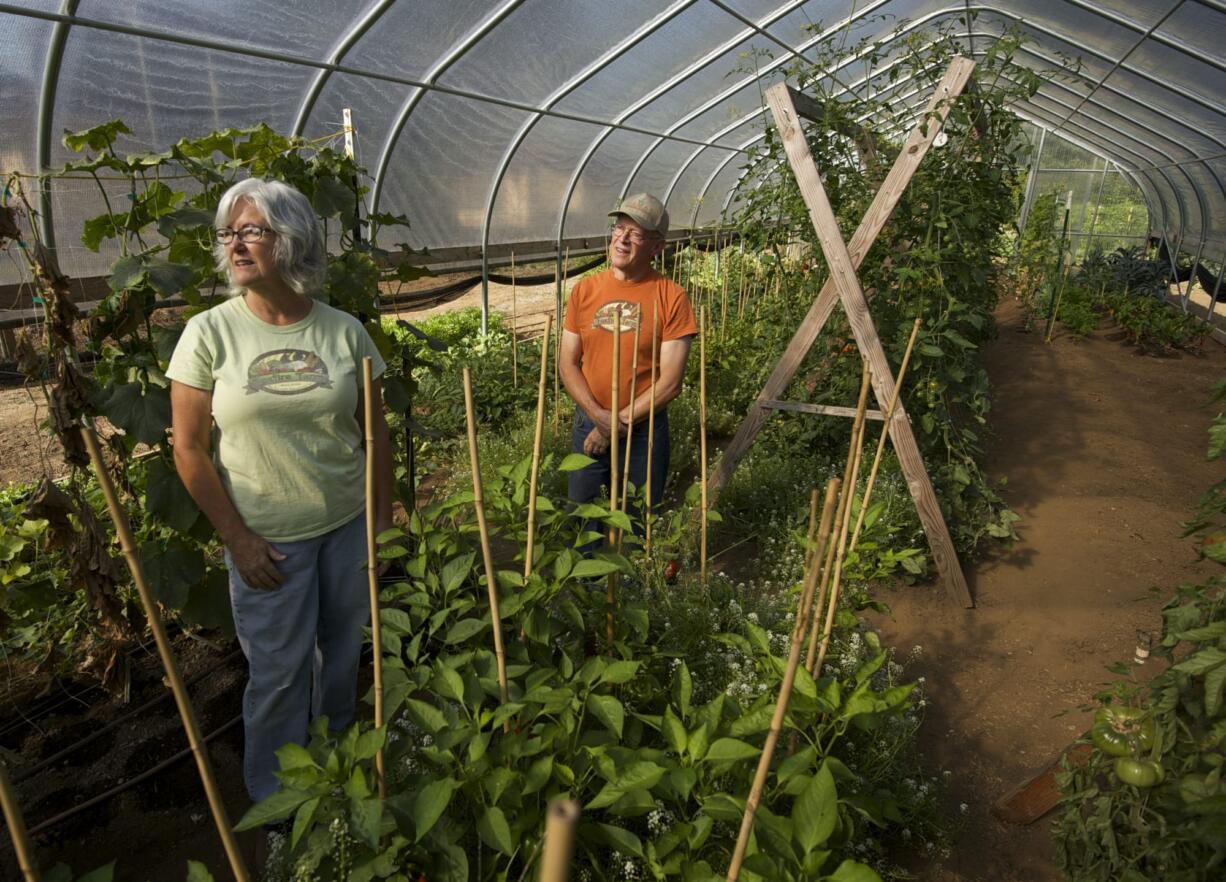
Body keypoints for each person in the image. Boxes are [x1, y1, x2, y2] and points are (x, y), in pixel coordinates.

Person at [166, 178, 392, 805]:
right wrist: (237, 539)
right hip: (267, 542)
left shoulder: (344, 333)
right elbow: (187, 448)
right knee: (279, 674)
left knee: (344, 654)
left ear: (290, 240)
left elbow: (376, 435)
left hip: (346, 527)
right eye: (228, 233)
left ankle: (340, 770)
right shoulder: (208, 333)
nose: (235, 245)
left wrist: (379, 522)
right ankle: (277, 799)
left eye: (251, 231)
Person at [560, 193, 697, 526]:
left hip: (643, 430)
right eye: (619, 228)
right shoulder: (585, 290)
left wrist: (615, 425)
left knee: (640, 523)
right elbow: (567, 364)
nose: (622, 238)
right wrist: (598, 417)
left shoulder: (671, 297)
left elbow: (671, 383)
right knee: (583, 520)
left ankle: (635, 580)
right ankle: (587, 581)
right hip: (588, 423)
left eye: (635, 234)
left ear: (656, 247)